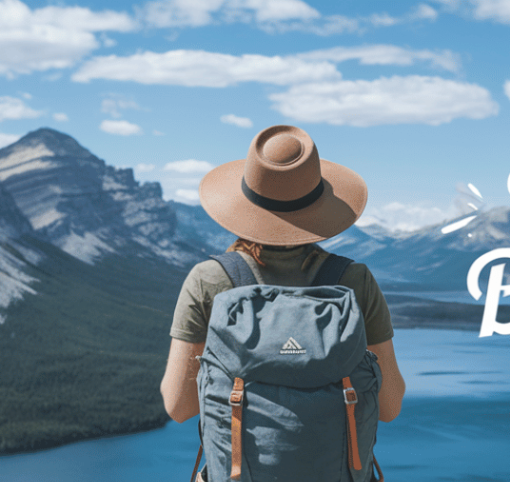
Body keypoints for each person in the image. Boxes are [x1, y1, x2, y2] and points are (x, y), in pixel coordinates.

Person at [159, 124, 405, 423]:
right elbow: (389, 406)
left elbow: (179, 407)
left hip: (237, 470)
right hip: (336, 470)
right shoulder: (354, 280)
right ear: (320, 204)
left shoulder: (209, 279)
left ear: (244, 202)